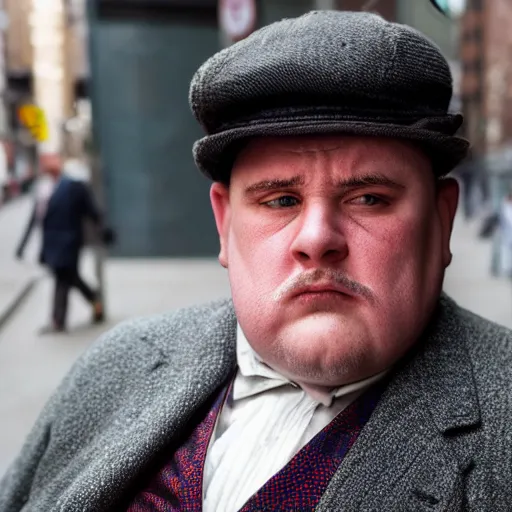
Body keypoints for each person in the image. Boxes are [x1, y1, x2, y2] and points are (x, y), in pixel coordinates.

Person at [1, 10, 511, 512]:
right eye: (281, 200)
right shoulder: (114, 364)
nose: (317, 239)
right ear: (224, 223)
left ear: (442, 221)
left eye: (369, 198)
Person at [15, 154, 104, 333]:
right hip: (52, 243)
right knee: (69, 278)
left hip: (70, 241)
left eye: (51, 160)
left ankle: (59, 320)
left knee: (64, 278)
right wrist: (22, 246)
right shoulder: (43, 189)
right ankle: (94, 301)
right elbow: (35, 219)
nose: (47, 163)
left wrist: (102, 230)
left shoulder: (73, 186)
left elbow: (91, 210)